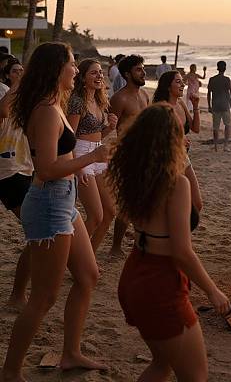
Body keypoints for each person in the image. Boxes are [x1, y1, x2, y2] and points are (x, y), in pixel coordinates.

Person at [1, 43, 109, 381]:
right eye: (72, 65)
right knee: (44, 297)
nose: (76, 71)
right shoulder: (47, 111)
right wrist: (92, 158)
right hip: (48, 202)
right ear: (56, 69)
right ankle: (11, 371)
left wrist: (81, 163)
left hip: (63, 199)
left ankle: (70, 353)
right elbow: (45, 169)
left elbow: (60, 160)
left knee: (89, 275)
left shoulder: (55, 105)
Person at [109, 104, 230, 381]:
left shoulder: (135, 175)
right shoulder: (175, 184)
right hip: (159, 283)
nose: (185, 136)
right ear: (171, 139)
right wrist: (213, 291)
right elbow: (182, 252)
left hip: (134, 274)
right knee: (195, 376)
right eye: (180, 130)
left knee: (162, 364)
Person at [67, 59, 118, 253]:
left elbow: (98, 135)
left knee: (110, 212)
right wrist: (77, 167)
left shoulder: (100, 100)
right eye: (93, 73)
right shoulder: (77, 102)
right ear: (82, 77)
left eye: (100, 73)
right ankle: (72, 256)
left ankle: (90, 256)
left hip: (98, 153)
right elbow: (69, 139)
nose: (99, 76)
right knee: (95, 215)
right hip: (80, 153)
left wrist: (109, 128)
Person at [109, 55, 149, 258]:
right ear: (127, 74)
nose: (143, 72)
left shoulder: (144, 96)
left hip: (146, 154)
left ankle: (140, 238)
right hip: (128, 156)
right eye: (138, 70)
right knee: (127, 202)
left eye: (142, 69)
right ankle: (115, 246)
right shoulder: (119, 98)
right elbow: (110, 129)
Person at [0, 59, 32, 310]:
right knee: (35, 229)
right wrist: (17, 86)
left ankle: (22, 290)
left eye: (23, 70)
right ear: (7, 75)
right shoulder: (3, 92)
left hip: (27, 165)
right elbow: (4, 112)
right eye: (15, 71)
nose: (20, 74)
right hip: (7, 170)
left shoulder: (27, 97)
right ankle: (17, 295)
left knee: (36, 231)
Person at [153, 70, 203, 214]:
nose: (183, 84)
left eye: (182, 81)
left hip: (183, 158)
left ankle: (178, 234)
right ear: (168, 86)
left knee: (196, 203)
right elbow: (154, 137)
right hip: (165, 160)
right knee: (167, 205)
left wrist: (196, 105)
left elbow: (196, 128)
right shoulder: (160, 108)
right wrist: (177, 140)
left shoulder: (180, 103)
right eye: (178, 81)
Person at [207, 61, 231, 152]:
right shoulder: (227, 79)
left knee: (216, 127)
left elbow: (208, 93)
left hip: (216, 105)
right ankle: (225, 146)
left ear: (217, 68)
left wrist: (209, 106)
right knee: (227, 125)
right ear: (225, 68)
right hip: (225, 105)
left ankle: (216, 146)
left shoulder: (212, 79)